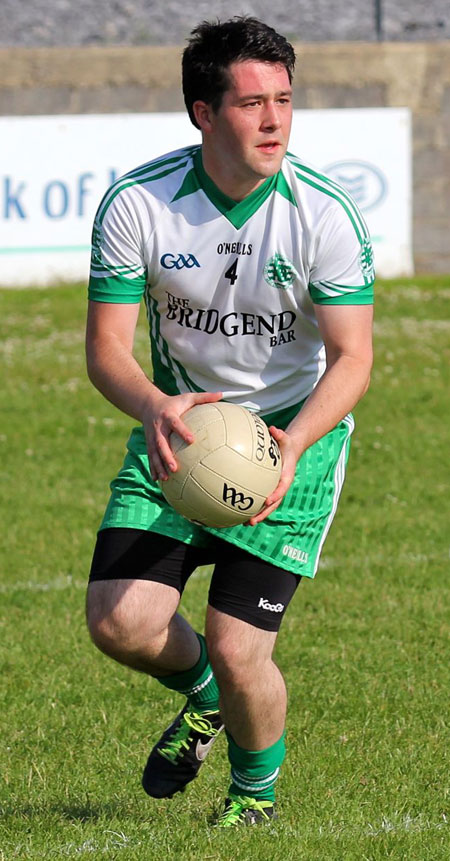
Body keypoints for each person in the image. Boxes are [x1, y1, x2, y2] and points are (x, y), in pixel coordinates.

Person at [85, 16, 374, 827]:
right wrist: (154, 405)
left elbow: (352, 357)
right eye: (252, 103)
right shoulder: (138, 204)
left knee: (245, 648)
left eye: (285, 100)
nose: (275, 120)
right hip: (177, 429)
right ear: (203, 113)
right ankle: (203, 698)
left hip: (292, 439)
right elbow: (106, 348)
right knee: (120, 620)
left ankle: (253, 802)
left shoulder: (323, 215)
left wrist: (296, 443)